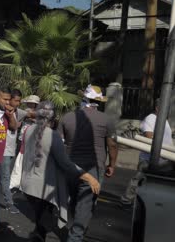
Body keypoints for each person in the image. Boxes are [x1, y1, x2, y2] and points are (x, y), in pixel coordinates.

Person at [21, 101, 101, 242]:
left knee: (41, 224)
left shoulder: (28, 130)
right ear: (53, 119)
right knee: (44, 224)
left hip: (27, 186)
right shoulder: (52, 135)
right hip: (43, 190)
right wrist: (89, 177)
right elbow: (66, 164)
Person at [58, 84, 118, 242]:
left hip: (70, 167)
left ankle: (75, 228)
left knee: (74, 199)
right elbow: (112, 145)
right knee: (85, 204)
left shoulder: (67, 117)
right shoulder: (106, 119)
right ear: (99, 102)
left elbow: (59, 144)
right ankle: (75, 236)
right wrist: (112, 164)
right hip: (93, 168)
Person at [120, 98, 173, 206]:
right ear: (158, 108)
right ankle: (126, 201)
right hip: (149, 158)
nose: (167, 111)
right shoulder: (150, 119)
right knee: (138, 179)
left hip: (164, 158)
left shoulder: (164, 120)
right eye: (165, 108)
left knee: (156, 182)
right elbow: (149, 137)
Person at [0, 87, 17, 209]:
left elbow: (14, 127)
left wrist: (10, 116)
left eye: (9, 99)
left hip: (0, 153)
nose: (7, 102)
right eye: (5, 99)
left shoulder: (6, 112)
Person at [0, 89, 25, 214]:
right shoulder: (4, 111)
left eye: (19, 101)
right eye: (16, 100)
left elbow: (30, 114)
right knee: (5, 177)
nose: (18, 103)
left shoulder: (17, 111)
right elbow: (13, 126)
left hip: (10, 149)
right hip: (2, 148)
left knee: (3, 176)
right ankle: (9, 203)